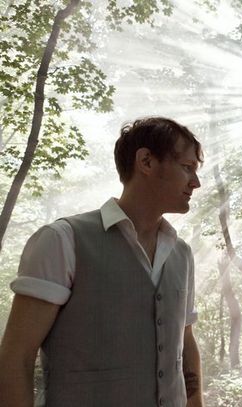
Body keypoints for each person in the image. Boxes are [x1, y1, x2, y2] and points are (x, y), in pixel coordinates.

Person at [0, 117, 205, 407]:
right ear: (146, 161)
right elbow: (15, 357)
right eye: (187, 167)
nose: (196, 182)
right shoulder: (62, 240)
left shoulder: (181, 253)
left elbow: (185, 344)